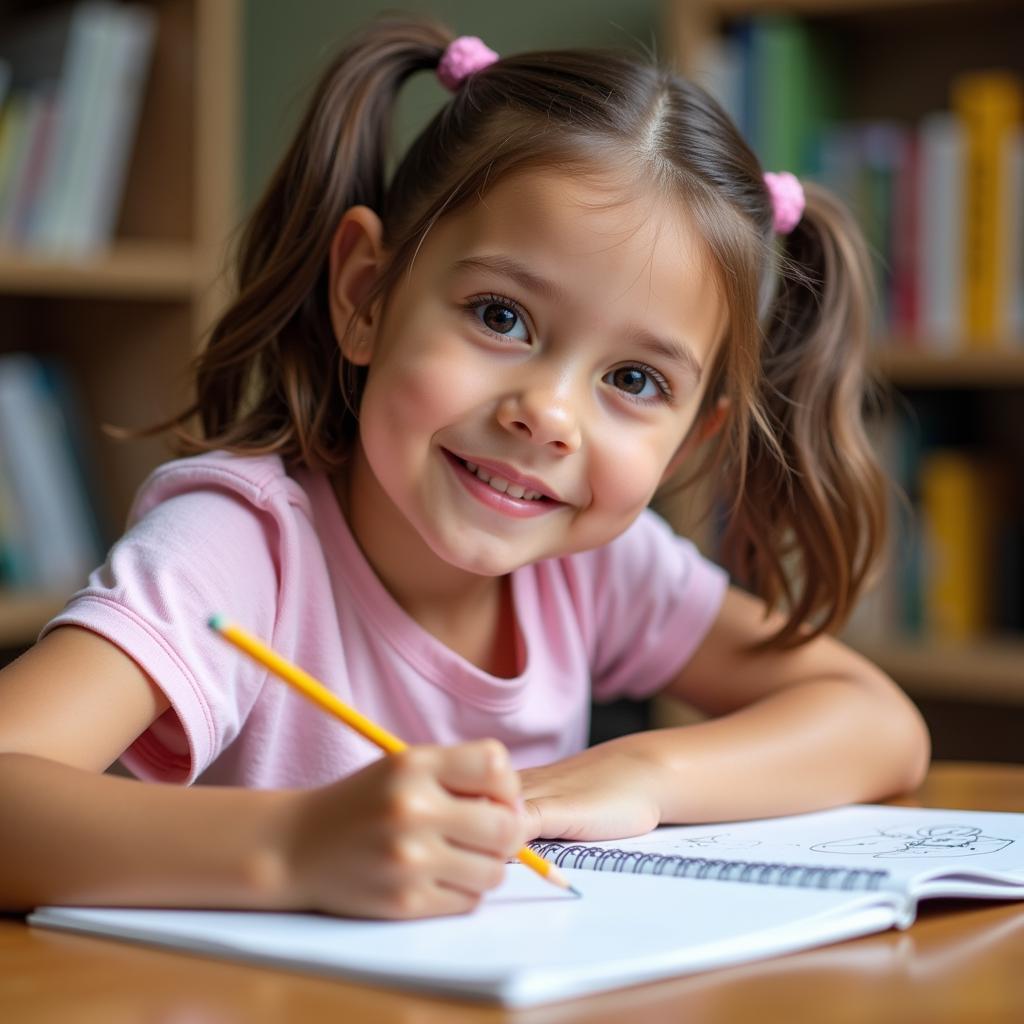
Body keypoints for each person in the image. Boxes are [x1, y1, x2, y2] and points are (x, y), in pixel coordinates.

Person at [0, 17, 929, 920]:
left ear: (689, 442)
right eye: (500, 317)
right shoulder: (245, 548)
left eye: (635, 379)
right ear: (366, 295)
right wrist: (294, 847)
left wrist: (642, 773)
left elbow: (876, 721)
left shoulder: (595, 566)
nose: (549, 415)